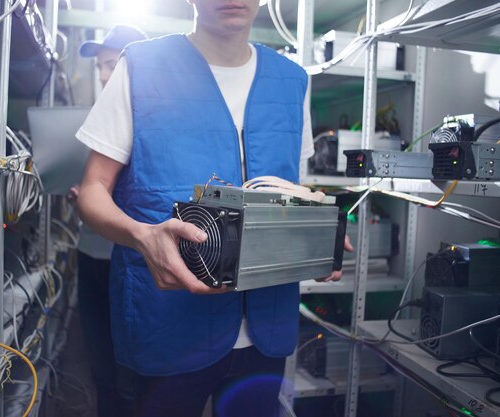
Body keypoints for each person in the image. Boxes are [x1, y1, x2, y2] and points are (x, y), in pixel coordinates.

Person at [76, 2, 349, 416]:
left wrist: (313, 233)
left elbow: (292, 186)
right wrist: (144, 237)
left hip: (265, 326)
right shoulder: (141, 66)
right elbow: (93, 190)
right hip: (167, 323)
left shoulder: (292, 81)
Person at [74, 24, 147, 417]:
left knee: (132, 373)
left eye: (111, 64)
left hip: (133, 262)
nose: (104, 76)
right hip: (91, 254)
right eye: (100, 66)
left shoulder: (158, 120)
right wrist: (86, 196)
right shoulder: (96, 121)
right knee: (101, 366)